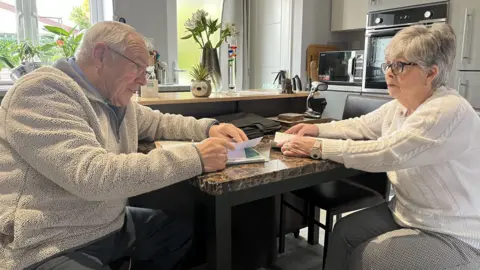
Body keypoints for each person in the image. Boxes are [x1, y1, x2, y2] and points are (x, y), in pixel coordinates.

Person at [0, 21, 247, 270]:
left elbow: (159, 123)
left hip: (107, 223)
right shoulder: (40, 92)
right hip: (47, 241)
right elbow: (91, 176)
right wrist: (195, 157)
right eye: (138, 67)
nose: (143, 80)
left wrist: (209, 128)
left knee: (177, 232)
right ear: (101, 55)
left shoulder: (115, 99)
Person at [279, 23, 480, 269]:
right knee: (343, 233)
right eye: (388, 64)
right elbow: (361, 125)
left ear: (431, 73)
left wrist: (317, 146)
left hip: (453, 232)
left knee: (368, 258)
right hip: (407, 213)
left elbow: (387, 152)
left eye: (400, 65)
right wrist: (316, 129)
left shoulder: (448, 110)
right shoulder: (400, 106)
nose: (389, 72)